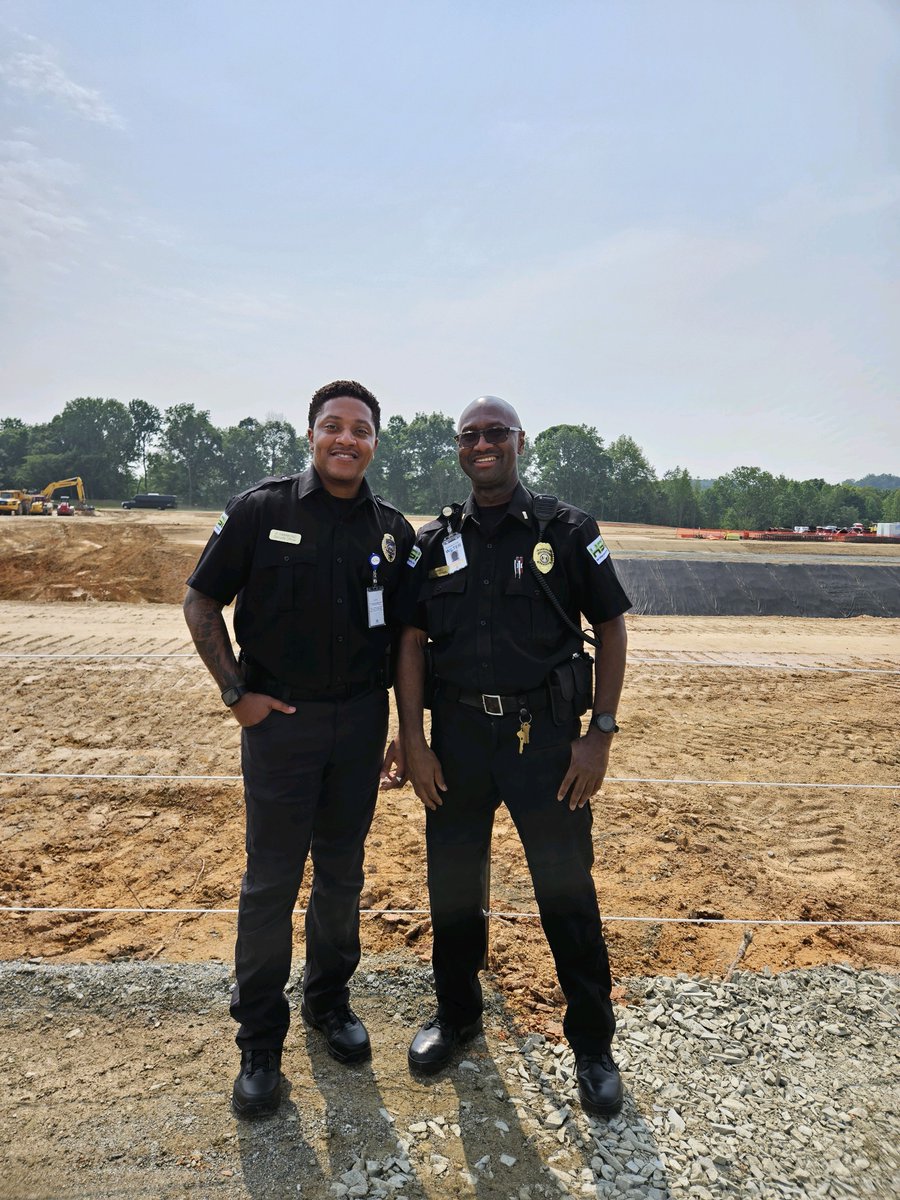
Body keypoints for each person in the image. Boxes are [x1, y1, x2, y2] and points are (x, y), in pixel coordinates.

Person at [384, 395, 631, 1117]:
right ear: (459, 450)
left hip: (549, 743)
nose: (483, 445)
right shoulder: (434, 542)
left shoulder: (567, 529)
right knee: (454, 886)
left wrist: (600, 735)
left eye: (496, 433)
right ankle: (458, 1018)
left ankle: (591, 1043)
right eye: (471, 436)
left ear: (520, 441)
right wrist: (417, 740)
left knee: (566, 893)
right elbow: (409, 642)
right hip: (456, 742)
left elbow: (612, 627)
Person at [184, 380, 414, 1117]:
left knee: (343, 875)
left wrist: (406, 734)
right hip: (280, 728)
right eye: (333, 427)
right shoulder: (263, 509)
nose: (347, 439)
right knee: (271, 883)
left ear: (376, 441)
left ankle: (328, 1002)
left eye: (361, 430)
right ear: (311, 434)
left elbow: (411, 637)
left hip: (359, 727)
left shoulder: (392, 530)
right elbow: (200, 600)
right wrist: (234, 692)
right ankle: (259, 1041)